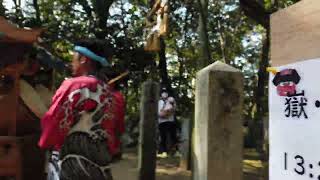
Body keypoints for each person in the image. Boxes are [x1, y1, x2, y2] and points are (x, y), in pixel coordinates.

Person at [38, 39, 115, 180]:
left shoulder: (74, 85)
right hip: (97, 157)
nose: (72, 63)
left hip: (70, 158)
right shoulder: (106, 89)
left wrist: (45, 141)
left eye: (74, 58)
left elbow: (55, 119)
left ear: (84, 59)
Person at [104, 72, 126, 162]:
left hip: (114, 120)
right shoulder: (101, 93)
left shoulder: (118, 96)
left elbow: (120, 112)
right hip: (105, 120)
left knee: (114, 134)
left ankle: (115, 152)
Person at [157, 88, 177, 158]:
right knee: (163, 137)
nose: (164, 94)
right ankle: (163, 151)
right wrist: (167, 112)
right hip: (162, 122)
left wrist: (166, 112)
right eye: (163, 92)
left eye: (165, 92)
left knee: (173, 136)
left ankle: (174, 151)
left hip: (170, 121)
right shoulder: (159, 102)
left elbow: (174, 110)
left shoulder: (171, 100)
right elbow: (159, 114)